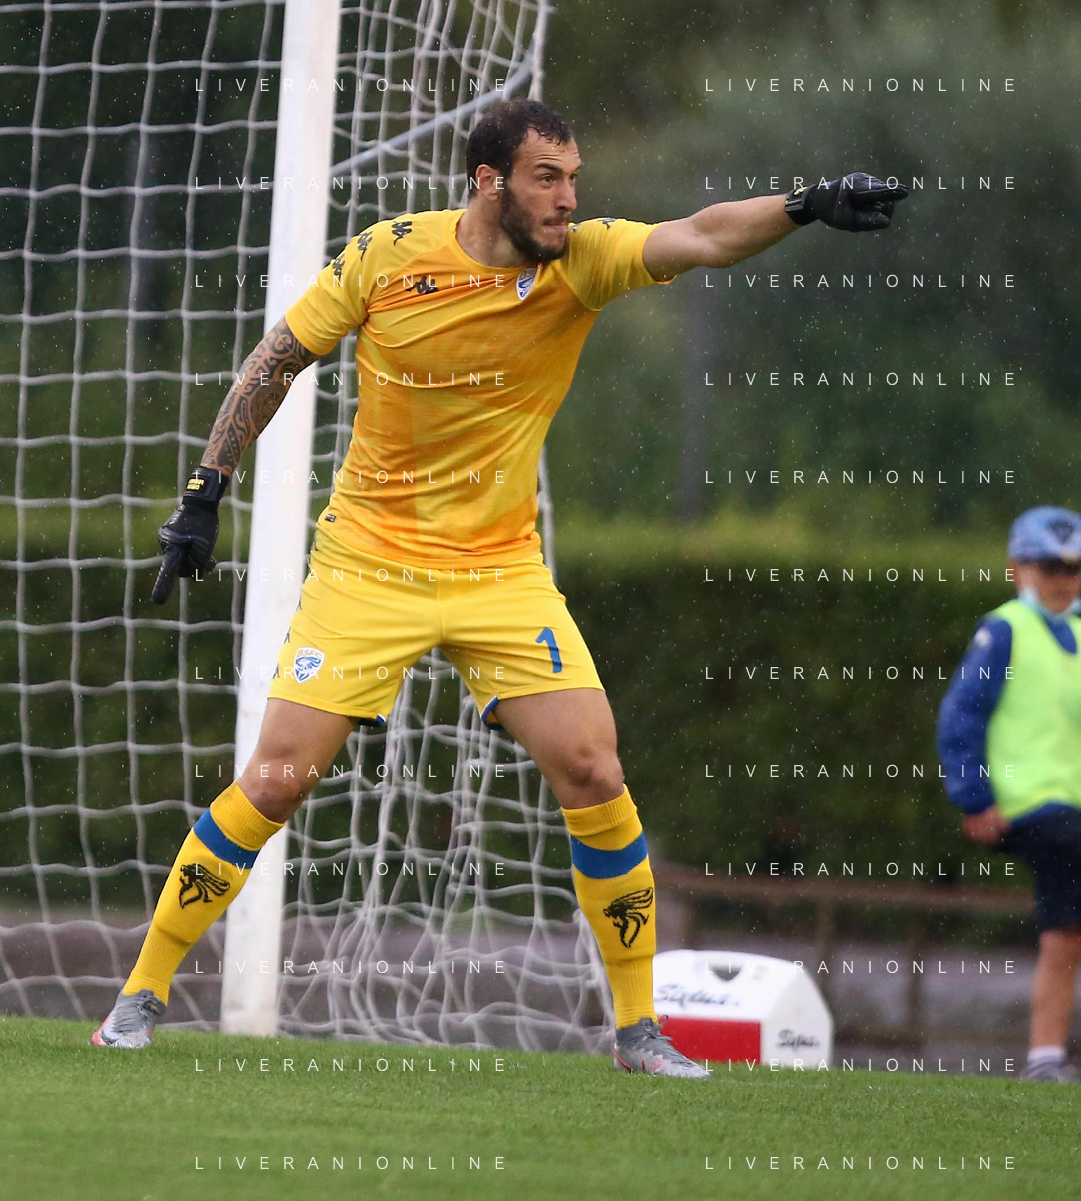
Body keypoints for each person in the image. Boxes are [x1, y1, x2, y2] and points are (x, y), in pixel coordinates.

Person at [92, 97, 908, 1074]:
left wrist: (805, 204)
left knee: (594, 770)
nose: (568, 199)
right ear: (488, 182)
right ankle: (139, 996)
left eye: (573, 178)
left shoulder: (584, 260)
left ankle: (638, 1030)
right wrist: (204, 492)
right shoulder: (388, 255)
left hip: (499, 571)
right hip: (369, 564)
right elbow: (276, 361)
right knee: (273, 781)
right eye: (546, 179)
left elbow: (699, 236)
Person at [937, 506, 1081, 1083]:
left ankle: (1045, 1059)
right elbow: (962, 715)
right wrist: (973, 797)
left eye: (1073, 568)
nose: (1062, 579)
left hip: (1072, 808)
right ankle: (1045, 1057)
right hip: (1033, 805)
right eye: (1049, 566)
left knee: (1066, 931)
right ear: (1017, 568)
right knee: (1065, 926)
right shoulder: (1004, 631)